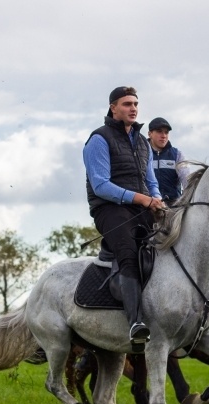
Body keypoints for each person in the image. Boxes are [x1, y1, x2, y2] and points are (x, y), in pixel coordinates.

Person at [147, 117, 209, 343]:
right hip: (146, 210)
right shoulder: (143, 153)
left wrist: (183, 203)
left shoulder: (176, 154)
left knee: (200, 255)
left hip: (171, 211)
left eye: (166, 132)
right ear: (150, 134)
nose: (163, 136)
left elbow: (186, 179)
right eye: (159, 132)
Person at [83, 86, 165, 353]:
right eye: (127, 104)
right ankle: (136, 323)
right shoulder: (98, 139)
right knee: (129, 253)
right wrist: (141, 199)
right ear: (113, 108)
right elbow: (101, 186)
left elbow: (151, 182)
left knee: (173, 246)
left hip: (142, 208)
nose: (133, 108)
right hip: (110, 210)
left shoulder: (143, 143)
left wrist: (157, 200)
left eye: (136, 104)